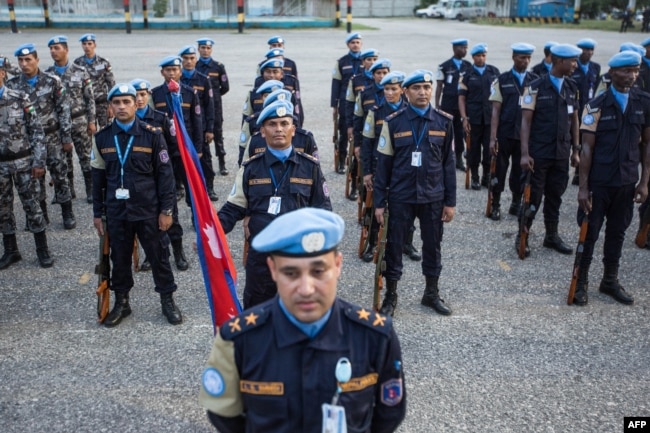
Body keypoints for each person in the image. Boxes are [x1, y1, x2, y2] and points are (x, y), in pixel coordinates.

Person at [199, 207, 406, 433]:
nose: (306, 289)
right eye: (291, 273)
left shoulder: (376, 336)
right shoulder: (237, 339)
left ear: (337, 265)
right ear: (273, 269)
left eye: (318, 271)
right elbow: (224, 415)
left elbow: (389, 414)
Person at [218, 100, 332, 309]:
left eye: (284, 123)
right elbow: (233, 208)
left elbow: (323, 211)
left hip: (298, 256)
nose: (278, 129)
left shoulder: (310, 167)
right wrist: (210, 234)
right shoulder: (250, 168)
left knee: (298, 312)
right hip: (261, 256)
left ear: (293, 129)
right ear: (262, 131)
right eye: (272, 124)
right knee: (257, 313)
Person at [91, 83, 182, 327]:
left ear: (136, 104)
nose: (122, 107)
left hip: (148, 211)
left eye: (126, 102)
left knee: (159, 256)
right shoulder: (101, 139)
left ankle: (167, 300)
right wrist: (97, 213)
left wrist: (167, 211)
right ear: (110, 107)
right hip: (117, 211)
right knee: (119, 259)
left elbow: (166, 177)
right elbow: (97, 178)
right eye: (116, 103)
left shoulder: (152, 135)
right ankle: (122, 302)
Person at [373, 70, 456, 317]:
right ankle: (391, 295)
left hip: (433, 197)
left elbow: (449, 164)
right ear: (406, 92)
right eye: (416, 88)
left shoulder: (444, 121)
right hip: (401, 196)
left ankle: (431, 293)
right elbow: (383, 165)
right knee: (394, 247)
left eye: (426, 87)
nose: (423, 92)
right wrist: (379, 202)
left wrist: (450, 202)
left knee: (433, 246)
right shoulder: (393, 122)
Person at [573, 51, 650, 305]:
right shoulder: (595, 106)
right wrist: (583, 188)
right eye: (626, 71)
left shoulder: (643, 102)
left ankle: (609, 281)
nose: (632, 76)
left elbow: (647, 145)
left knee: (617, 233)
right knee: (589, 233)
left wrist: (644, 181)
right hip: (599, 184)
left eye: (636, 70)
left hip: (627, 182)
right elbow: (586, 149)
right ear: (612, 73)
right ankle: (581, 281)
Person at [518, 44, 581, 257]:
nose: (575, 65)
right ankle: (522, 234)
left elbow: (574, 120)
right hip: (539, 154)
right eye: (572, 61)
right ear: (558, 61)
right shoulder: (535, 87)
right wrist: (525, 153)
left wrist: (576, 149)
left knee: (556, 196)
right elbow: (525, 122)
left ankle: (551, 236)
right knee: (533, 197)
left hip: (561, 153)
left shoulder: (572, 87)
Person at [9, 43, 76, 230]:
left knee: (60, 175)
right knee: (34, 180)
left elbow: (63, 110)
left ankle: (67, 213)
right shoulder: (13, 85)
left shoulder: (52, 81)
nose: (24, 64)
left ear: (37, 60)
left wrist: (66, 137)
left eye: (28, 59)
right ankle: (42, 215)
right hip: (28, 142)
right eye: (21, 60)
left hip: (52, 136)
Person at [0, 57, 53, 270]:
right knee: (2, 209)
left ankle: (43, 250)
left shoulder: (19, 98)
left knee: (32, 206)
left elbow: (37, 132)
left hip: (23, 162)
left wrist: (39, 161)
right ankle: (11, 251)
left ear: (3, 73)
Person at [129, 78, 186, 273]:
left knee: (172, 217)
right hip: (142, 179)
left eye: (143, 95)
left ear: (149, 96)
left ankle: (178, 252)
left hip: (162, 175)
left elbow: (173, 147)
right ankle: (150, 255)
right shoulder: (128, 121)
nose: (139, 99)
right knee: (147, 222)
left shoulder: (161, 118)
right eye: (135, 96)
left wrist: (174, 177)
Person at [360, 70, 408, 263]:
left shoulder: (409, 111)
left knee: (406, 206)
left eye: (393, 89)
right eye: (386, 89)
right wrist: (367, 172)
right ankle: (372, 244)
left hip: (402, 168)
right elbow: (367, 143)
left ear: (402, 90)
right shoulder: (375, 112)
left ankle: (406, 243)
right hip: (379, 167)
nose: (389, 92)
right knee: (374, 207)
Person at [488, 43, 538, 221]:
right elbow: (495, 110)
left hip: (524, 137)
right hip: (505, 133)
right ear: (513, 58)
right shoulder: (501, 79)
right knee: (499, 171)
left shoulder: (535, 81)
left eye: (528, 58)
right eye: (521, 57)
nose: (525, 61)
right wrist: (493, 138)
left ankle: (516, 202)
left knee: (519, 171)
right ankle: (495, 205)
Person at [45, 35, 96, 204]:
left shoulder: (80, 71)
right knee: (61, 159)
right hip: (58, 125)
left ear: (66, 49)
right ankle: (68, 190)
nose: (53, 51)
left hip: (79, 120)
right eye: (51, 49)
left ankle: (90, 189)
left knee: (85, 156)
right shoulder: (48, 75)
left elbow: (90, 99)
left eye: (57, 48)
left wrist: (91, 121)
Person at [458, 43, 500, 190]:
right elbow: (462, 98)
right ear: (473, 57)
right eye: (478, 56)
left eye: (483, 55)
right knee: (473, 149)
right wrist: (464, 118)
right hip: (473, 119)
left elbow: (498, 98)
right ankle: (475, 176)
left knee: (489, 149)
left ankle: (486, 176)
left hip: (490, 119)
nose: (481, 58)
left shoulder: (494, 72)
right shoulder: (467, 75)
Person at [178, 45, 218, 201]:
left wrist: (210, 129)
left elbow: (210, 106)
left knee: (205, 159)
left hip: (199, 128)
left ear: (196, 59)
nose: (188, 61)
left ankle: (209, 187)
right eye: (185, 59)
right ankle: (180, 187)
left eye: (191, 58)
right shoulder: (178, 80)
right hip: (182, 127)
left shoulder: (203, 79)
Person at [435, 38, 472, 171]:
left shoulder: (469, 66)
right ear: (454, 49)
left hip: (463, 106)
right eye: (462, 48)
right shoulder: (444, 66)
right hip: (448, 104)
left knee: (460, 132)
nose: (465, 50)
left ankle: (459, 159)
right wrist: (437, 104)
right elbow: (439, 86)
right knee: (446, 132)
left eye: (466, 48)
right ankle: (444, 157)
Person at [195, 37, 230, 176]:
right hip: (198, 106)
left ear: (211, 50)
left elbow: (225, 87)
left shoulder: (218, 66)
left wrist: (213, 97)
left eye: (208, 48)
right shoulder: (195, 66)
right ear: (198, 49)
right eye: (202, 48)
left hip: (215, 107)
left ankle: (222, 163)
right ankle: (202, 164)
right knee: (199, 134)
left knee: (218, 134)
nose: (205, 50)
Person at [570, 38, 601, 186]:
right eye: (585, 49)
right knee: (573, 141)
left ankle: (579, 173)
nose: (588, 52)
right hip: (574, 110)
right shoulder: (573, 67)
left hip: (589, 112)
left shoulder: (596, 68)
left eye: (590, 50)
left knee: (587, 143)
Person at [332, 32, 363, 174]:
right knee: (345, 133)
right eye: (352, 42)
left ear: (361, 44)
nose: (355, 45)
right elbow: (336, 84)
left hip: (363, 102)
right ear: (348, 45)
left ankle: (357, 164)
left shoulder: (367, 60)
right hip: (346, 104)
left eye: (357, 42)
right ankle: (342, 162)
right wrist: (334, 105)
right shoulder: (341, 62)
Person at [73, 34, 115, 128]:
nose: (87, 46)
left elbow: (111, 84)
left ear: (95, 45)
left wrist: (111, 105)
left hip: (102, 103)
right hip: (86, 105)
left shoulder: (103, 62)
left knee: (107, 130)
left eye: (89, 44)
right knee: (88, 131)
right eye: (84, 44)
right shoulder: (77, 63)